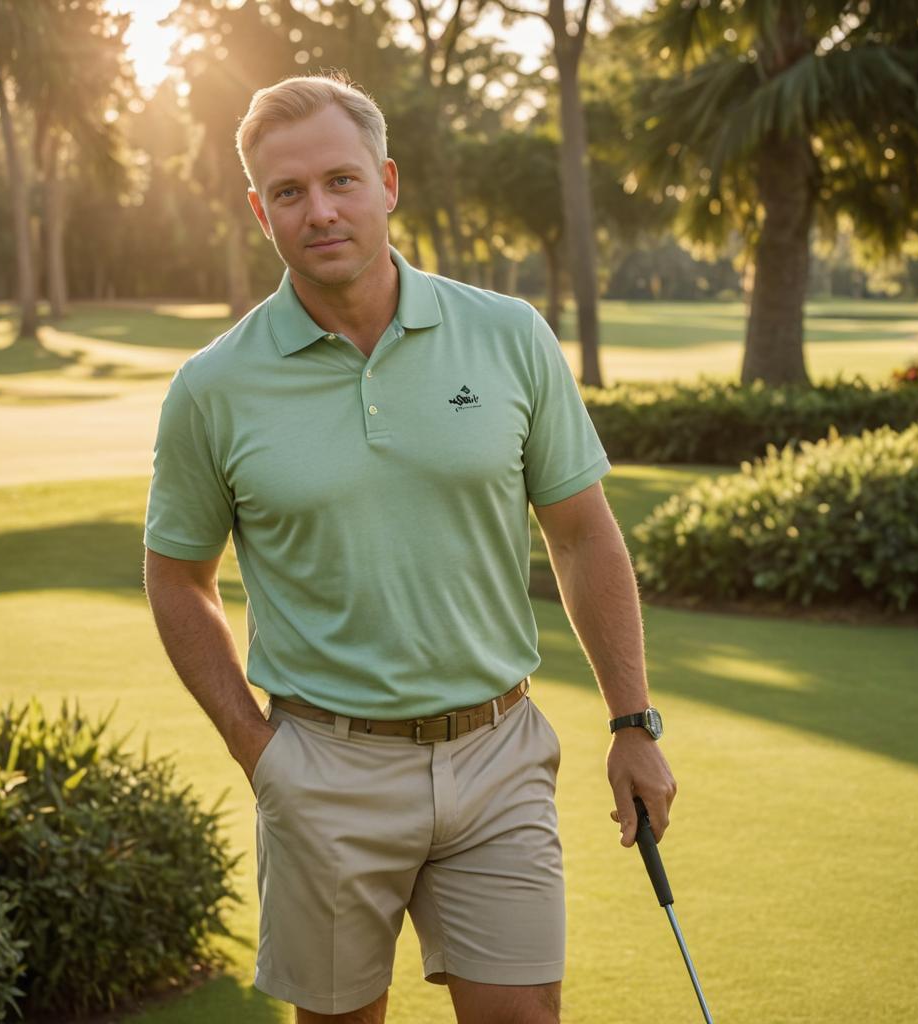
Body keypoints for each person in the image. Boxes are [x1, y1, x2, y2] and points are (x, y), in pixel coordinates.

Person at [143, 72, 676, 1024]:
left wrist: (632, 724)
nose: (321, 211)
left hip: (498, 751)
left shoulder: (509, 336)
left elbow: (583, 531)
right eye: (291, 193)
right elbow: (179, 576)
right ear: (258, 209)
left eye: (342, 180)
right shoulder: (212, 387)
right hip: (325, 767)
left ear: (387, 182)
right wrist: (255, 747)